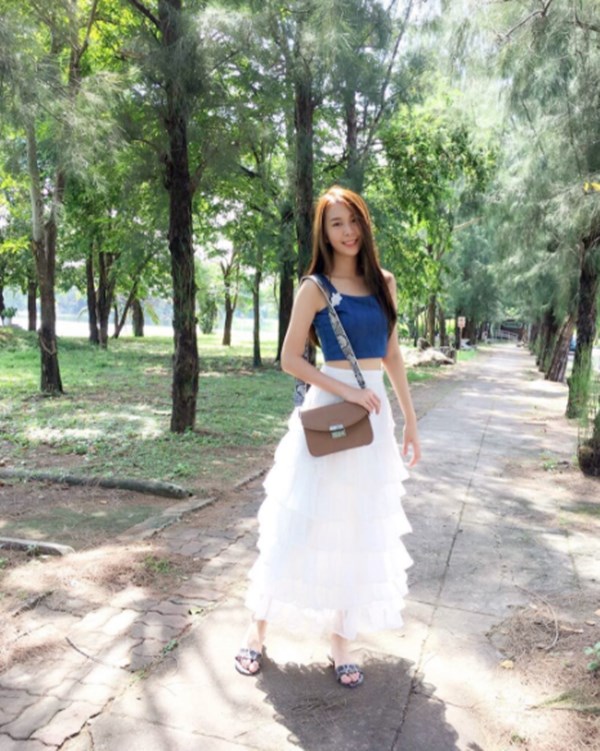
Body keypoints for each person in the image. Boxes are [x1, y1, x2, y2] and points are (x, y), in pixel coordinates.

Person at [234, 185, 421, 688]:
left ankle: (342, 638)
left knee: (358, 526)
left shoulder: (384, 283)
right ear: (324, 231)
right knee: (301, 522)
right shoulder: (314, 288)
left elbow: (392, 355)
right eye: (337, 223)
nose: (348, 231)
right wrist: (347, 391)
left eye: (354, 221)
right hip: (330, 411)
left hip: (374, 416)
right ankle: (257, 628)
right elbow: (289, 359)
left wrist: (410, 419)